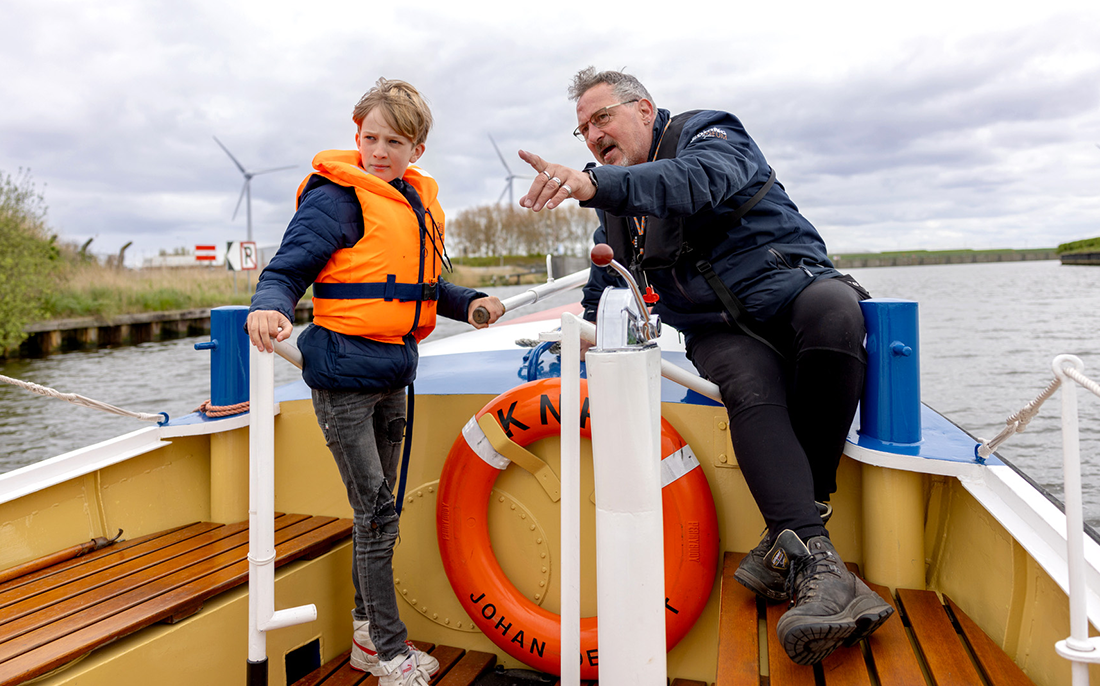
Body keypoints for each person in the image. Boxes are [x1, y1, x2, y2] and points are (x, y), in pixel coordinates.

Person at [516, 67, 892, 666]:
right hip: (715, 328)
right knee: (747, 385)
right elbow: (604, 281)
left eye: (601, 118)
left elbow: (690, 183)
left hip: (792, 289)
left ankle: (794, 546)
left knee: (837, 313)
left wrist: (595, 183)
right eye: (582, 130)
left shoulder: (711, 135)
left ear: (644, 110)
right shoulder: (615, 210)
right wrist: (580, 337)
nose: (591, 136)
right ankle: (820, 565)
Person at [247, 78, 504, 686]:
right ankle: (390, 656)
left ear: (417, 149)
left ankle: (366, 633)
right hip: (342, 379)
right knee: (378, 514)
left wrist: (469, 302)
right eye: (370, 137)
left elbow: (422, 287)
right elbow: (287, 267)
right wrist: (268, 304)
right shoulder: (337, 199)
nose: (379, 151)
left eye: (394, 140)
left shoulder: (412, 202)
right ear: (355, 134)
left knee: (378, 513)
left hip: (393, 372)